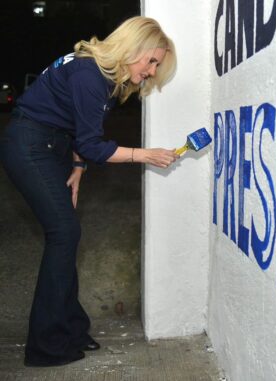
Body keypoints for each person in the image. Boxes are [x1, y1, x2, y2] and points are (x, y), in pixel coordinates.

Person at [0, 16, 178, 367]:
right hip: (30, 144)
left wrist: (78, 168)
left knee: (65, 234)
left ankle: (71, 330)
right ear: (133, 48)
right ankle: (47, 347)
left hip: (52, 146)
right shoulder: (89, 74)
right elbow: (94, 144)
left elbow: (80, 127)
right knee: (64, 232)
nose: (153, 71)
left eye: (157, 65)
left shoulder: (101, 75)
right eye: (152, 61)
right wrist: (144, 154)